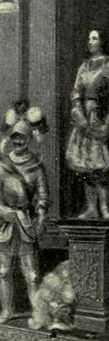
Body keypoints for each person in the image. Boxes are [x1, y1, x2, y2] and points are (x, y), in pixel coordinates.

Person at [0, 120, 49, 327]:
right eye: (14, 138)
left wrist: (41, 216)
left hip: (26, 224)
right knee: (3, 272)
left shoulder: (36, 167)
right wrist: (4, 211)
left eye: (22, 138)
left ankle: (38, 314)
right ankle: (6, 310)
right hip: (4, 225)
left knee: (32, 274)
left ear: (29, 139)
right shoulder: (2, 166)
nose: (18, 142)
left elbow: (43, 197)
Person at [65, 29, 109, 219]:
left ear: (102, 41)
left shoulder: (107, 65)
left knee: (100, 164)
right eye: (89, 38)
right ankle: (92, 208)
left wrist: (107, 124)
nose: (90, 42)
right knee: (85, 164)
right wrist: (78, 113)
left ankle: (105, 207)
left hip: (101, 116)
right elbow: (76, 91)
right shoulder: (84, 66)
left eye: (94, 38)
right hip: (84, 118)